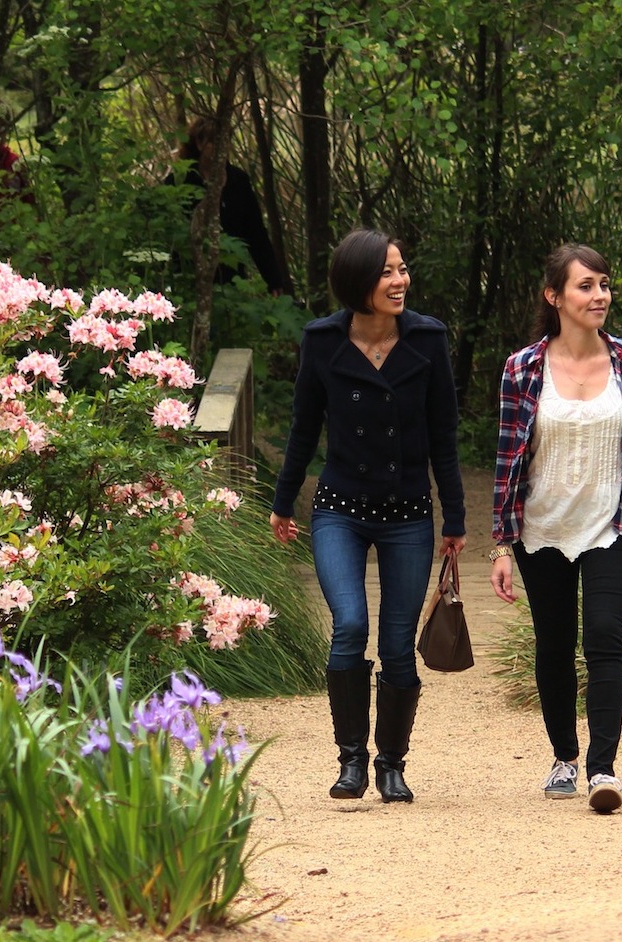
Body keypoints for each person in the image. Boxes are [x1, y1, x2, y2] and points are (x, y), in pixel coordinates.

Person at [270, 227, 466, 803]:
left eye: (402, 269)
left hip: (408, 513)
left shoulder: (428, 340)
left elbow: (445, 437)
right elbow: (304, 428)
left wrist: (454, 519)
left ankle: (392, 764)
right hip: (340, 510)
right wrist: (283, 504)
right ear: (358, 280)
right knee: (351, 625)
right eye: (386, 272)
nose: (400, 280)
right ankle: (351, 760)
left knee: (398, 642)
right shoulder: (322, 340)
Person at [489, 243, 622, 814]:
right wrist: (499, 543)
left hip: (614, 525)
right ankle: (564, 756)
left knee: (604, 636)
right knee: (553, 643)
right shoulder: (522, 369)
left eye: (604, 285)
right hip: (541, 526)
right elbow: (506, 460)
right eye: (585, 286)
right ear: (555, 297)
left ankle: (603, 768)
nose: (600, 296)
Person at [174, 117, 291, 294]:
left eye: (225, 142)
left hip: (233, 279)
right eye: (214, 142)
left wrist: (273, 281)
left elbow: (256, 233)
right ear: (199, 143)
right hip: (191, 279)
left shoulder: (238, 181)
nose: (221, 149)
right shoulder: (180, 181)